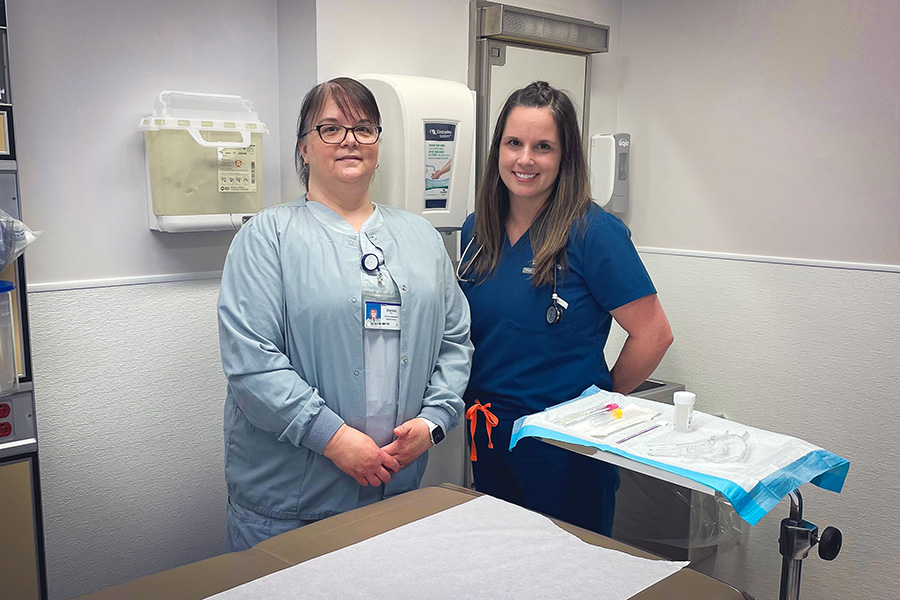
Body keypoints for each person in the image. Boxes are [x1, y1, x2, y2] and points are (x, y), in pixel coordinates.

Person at [218, 77, 473, 551]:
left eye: (363, 127)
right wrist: (333, 439)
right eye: (331, 128)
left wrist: (434, 420)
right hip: (291, 502)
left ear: (378, 142)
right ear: (304, 149)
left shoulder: (422, 238)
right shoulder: (266, 237)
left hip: (395, 487)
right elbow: (251, 363)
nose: (350, 139)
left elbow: (454, 340)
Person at [458, 81, 673, 536]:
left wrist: (600, 399)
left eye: (543, 147)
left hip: (566, 445)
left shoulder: (594, 233)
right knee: (501, 567)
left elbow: (654, 334)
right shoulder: (477, 230)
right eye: (513, 143)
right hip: (489, 435)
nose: (525, 159)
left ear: (565, 157)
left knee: (567, 575)